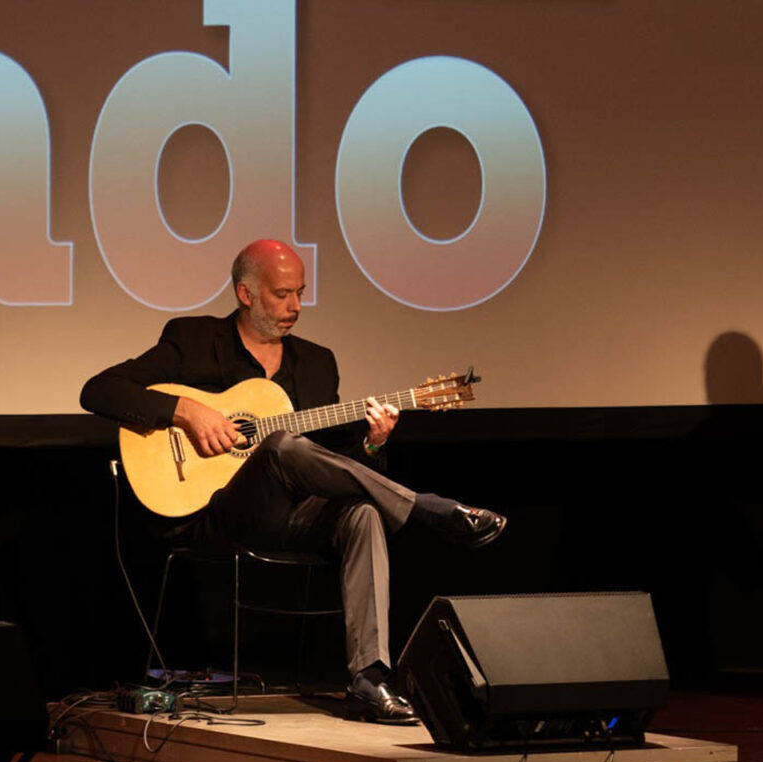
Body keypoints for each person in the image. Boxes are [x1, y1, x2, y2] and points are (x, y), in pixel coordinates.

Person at [80, 239, 506, 724]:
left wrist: (371, 446)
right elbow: (97, 390)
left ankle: (370, 677)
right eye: (283, 294)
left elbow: (329, 465)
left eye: (301, 293)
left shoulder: (317, 362)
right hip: (215, 513)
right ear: (245, 293)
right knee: (280, 445)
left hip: (291, 516)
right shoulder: (192, 339)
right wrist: (188, 412)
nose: (296, 307)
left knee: (362, 512)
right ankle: (430, 509)